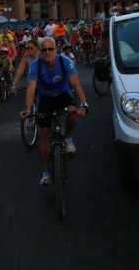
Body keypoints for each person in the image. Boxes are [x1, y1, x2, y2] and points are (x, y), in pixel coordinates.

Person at [19, 37, 88, 185]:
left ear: (56, 50)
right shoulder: (35, 65)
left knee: (73, 112)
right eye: (44, 50)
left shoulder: (65, 61)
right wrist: (29, 109)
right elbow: (31, 88)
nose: (47, 52)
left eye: (51, 49)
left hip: (63, 94)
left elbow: (76, 84)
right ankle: (45, 171)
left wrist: (83, 104)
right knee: (44, 134)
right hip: (45, 98)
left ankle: (68, 138)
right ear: (40, 52)